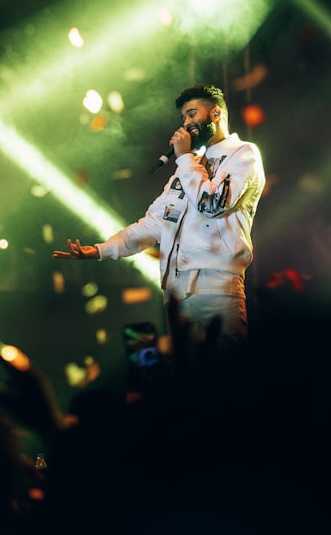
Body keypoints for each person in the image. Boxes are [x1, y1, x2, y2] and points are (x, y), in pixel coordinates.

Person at [53, 84, 266, 379]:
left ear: (215, 113)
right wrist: (102, 250)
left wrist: (185, 158)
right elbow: (154, 222)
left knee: (230, 375)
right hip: (176, 291)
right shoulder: (189, 165)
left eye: (192, 113)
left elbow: (214, 204)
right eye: (183, 117)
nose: (186, 122)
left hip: (217, 285)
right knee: (187, 381)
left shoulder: (243, 155)